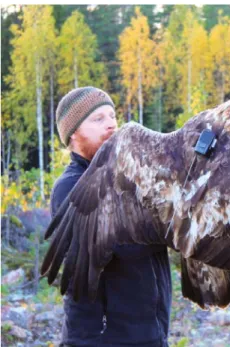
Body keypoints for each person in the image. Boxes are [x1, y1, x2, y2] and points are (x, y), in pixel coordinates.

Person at [52, 86, 172, 347]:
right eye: (98, 119)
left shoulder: (129, 180)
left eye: (112, 117)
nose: (110, 125)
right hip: (101, 339)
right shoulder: (71, 187)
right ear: (73, 134)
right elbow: (125, 245)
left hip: (150, 334)